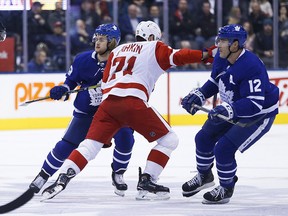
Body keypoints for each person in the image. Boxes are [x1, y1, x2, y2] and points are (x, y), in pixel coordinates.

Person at [41, 20, 216, 201]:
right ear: (151, 38)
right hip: (132, 102)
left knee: (90, 145)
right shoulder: (154, 47)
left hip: (108, 105)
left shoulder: (117, 51)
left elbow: (107, 83)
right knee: (170, 139)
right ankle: (148, 180)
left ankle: (63, 176)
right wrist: (206, 55)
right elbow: (179, 55)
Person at [29, 23, 135, 197]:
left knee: (126, 138)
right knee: (66, 146)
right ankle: (43, 175)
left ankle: (118, 173)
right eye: (96, 38)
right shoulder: (82, 60)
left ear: (113, 42)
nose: (97, 42)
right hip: (87, 112)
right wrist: (63, 88)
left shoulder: (123, 62)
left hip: (114, 113)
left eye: (102, 39)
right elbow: (70, 82)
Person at [181, 24, 279, 204]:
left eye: (223, 41)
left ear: (235, 45)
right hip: (234, 106)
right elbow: (214, 80)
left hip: (258, 115)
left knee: (223, 149)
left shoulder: (251, 66)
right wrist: (200, 95)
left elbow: (255, 103)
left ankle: (226, 187)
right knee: (202, 138)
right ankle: (205, 177)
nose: (218, 44)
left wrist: (229, 109)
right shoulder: (221, 56)